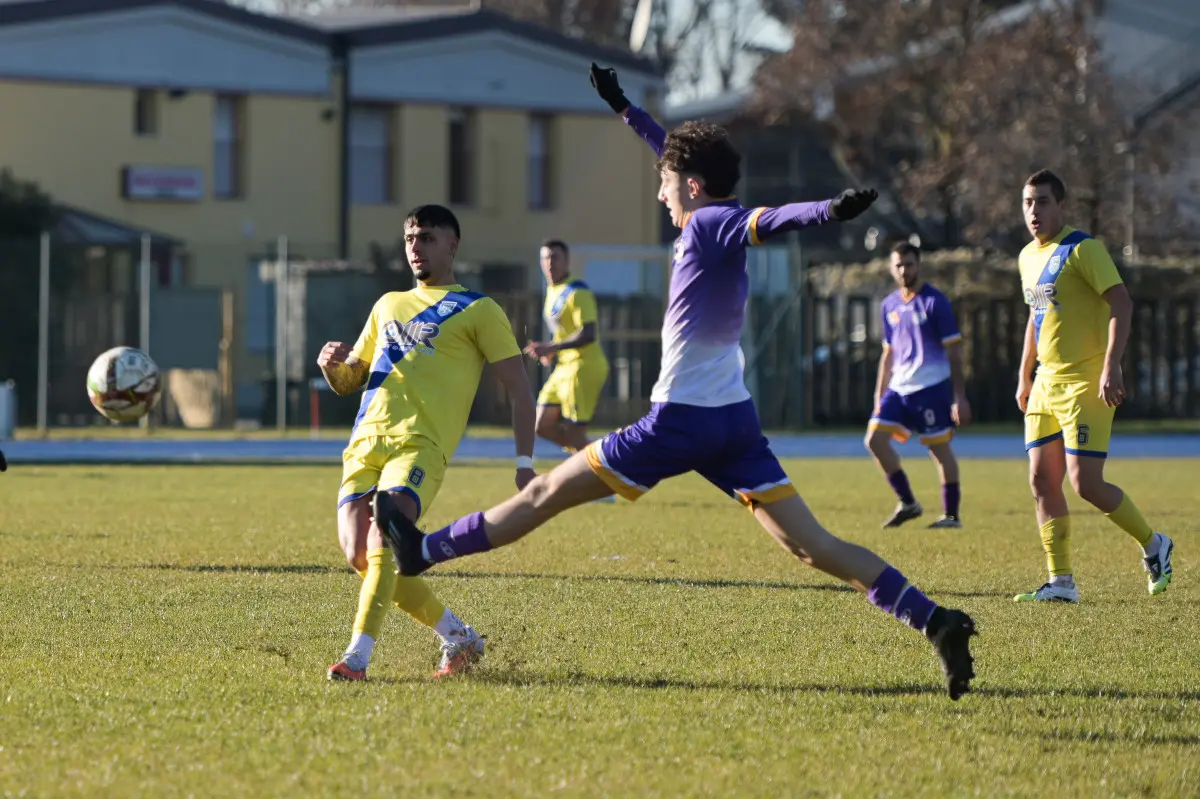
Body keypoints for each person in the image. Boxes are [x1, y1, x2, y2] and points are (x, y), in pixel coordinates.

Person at [373, 65, 978, 700]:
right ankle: (936, 620)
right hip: (733, 424)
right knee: (814, 546)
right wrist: (625, 108)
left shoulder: (711, 223)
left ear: (690, 185)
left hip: (679, 422)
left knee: (544, 492)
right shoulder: (704, 213)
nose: (660, 193)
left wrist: (828, 209)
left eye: (665, 184)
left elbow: (771, 221)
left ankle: (423, 551)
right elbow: (674, 153)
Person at [318, 204, 536, 680]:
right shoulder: (387, 304)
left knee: (385, 542)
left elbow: (520, 388)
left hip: (420, 445)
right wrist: (331, 366)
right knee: (360, 554)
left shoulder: (478, 309)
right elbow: (351, 378)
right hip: (364, 442)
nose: (416, 247)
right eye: (410, 238)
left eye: (428, 238)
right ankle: (460, 638)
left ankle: (357, 657)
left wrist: (524, 460)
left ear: (452, 245)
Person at [1014, 170, 1173, 603]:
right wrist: (1025, 374)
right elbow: (1036, 315)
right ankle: (1061, 582)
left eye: (1043, 202)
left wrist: (1111, 366)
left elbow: (1121, 303)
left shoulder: (1084, 248)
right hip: (1046, 383)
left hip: (1086, 383)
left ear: (1060, 207)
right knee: (1041, 482)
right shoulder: (1028, 257)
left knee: (1085, 483)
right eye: (1028, 202)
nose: (1034, 211)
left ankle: (1154, 544)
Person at [867, 241, 971, 529]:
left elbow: (954, 351)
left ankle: (951, 515)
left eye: (909, 264)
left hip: (931, 387)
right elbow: (888, 353)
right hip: (898, 389)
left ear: (919, 265)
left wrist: (959, 396)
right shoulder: (889, 305)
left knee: (939, 450)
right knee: (874, 440)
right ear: (891, 267)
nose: (904, 270)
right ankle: (908, 502)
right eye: (898, 265)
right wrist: (880, 393)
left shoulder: (936, 302)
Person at [523, 239, 611, 456]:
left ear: (567, 260)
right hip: (564, 368)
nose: (549, 263)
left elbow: (588, 333)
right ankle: (596, 461)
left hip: (583, 367)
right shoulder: (553, 290)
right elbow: (565, 331)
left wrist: (552, 346)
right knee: (541, 426)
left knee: (575, 435)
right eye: (545, 258)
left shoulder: (577, 291)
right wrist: (552, 351)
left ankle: (604, 476)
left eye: (555, 257)